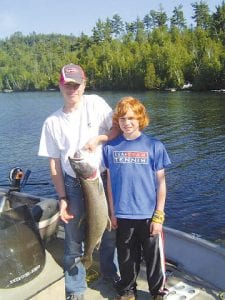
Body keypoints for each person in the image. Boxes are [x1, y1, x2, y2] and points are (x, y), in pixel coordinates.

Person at [38, 63, 119, 300]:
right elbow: (54, 165)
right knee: (73, 237)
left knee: (109, 232)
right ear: (60, 86)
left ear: (83, 85)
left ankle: (109, 274)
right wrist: (62, 198)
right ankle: (75, 289)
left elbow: (116, 128)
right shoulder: (52, 122)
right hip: (74, 184)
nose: (72, 89)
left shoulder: (96, 104)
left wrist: (100, 138)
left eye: (76, 84)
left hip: (101, 179)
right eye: (67, 84)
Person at [103, 96, 171, 300]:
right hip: (123, 214)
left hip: (149, 215)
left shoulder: (154, 146)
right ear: (118, 121)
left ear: (140, 118)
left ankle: (157, 292)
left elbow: (161, 184)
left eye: (132, 117)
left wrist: (158, 216)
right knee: (126, 257)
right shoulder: (110, 148)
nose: (127, 122)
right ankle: (127, 290)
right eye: (122, 118)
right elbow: (109, 184)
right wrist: (112, 213)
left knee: (153, 258)